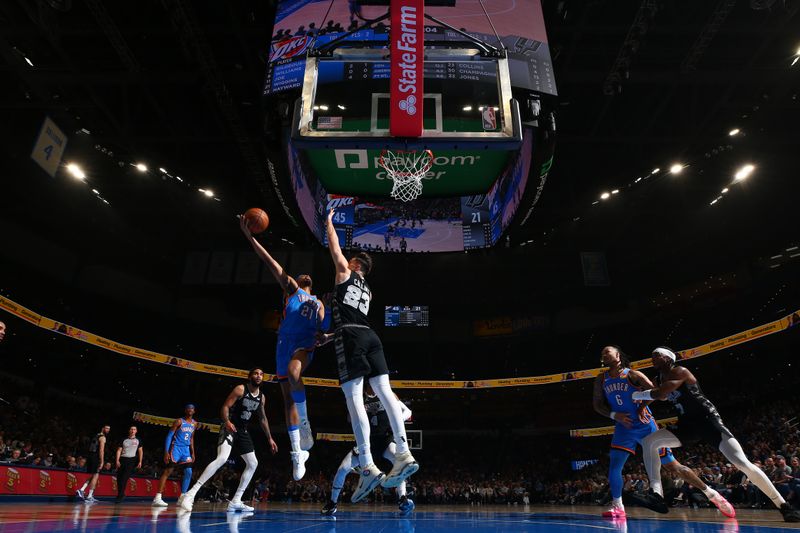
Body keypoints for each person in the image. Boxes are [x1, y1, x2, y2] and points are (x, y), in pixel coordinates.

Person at [318, 208, 418, 503]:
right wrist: (331, 335)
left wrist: (329, 222)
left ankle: (367, 465)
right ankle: (403, 452)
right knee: (384, 391)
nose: (344, 259)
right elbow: (354, 321)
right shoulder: (368, 291)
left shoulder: (344, 272)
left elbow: (333, 246)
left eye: (349, 259)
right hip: (370, 336)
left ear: (354, 263)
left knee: (354, 398)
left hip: (351, 336)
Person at [635, 346, 800, 522]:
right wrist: (642, 406)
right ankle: (656, 495)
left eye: (657, 355)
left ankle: (784, 506)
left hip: (708, 420)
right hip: (687, 424)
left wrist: (637, 395)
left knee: (742, 463)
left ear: (668, 358)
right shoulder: (659, 378)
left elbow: (660, 394)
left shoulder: (680, 371)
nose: (653, 357)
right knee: (650, 442)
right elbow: (655, 395)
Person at [593, 346, 734, 519]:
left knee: (672, 466)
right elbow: (598, 405)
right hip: (623, 427)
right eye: (602, 353)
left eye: (608, 351)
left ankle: (712, 494)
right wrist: (615, 415)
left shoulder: (634, 375)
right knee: (614, 466)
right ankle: (618, 507)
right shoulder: (601, 378)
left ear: (618, 356)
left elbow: (658, 394)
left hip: (645, 425)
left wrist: (642, 406)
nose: (604, 354)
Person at [239, 214, 326, 480]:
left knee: (294, 371)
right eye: (302, 276)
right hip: (283, 344)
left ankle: (306, 420)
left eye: (308, 277)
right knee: (287, 400)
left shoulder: (318, 302)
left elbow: (322, 325)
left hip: (304, 344)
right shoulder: (290, 290)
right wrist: (250, 237)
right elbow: (269, 262)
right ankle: (298, 453)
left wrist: (317, 312)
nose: (305, 276)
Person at [180, 368, 278, 513]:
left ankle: (236, 501)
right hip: (229, 427)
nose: (259, 376)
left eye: (261, 374)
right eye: (256, 373)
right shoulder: (240, 389)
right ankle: (190, 494)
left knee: (253, 463)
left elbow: (263, 418)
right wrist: (226, 421)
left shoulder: (261, 397)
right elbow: (225, 406)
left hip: (242, 431)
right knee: (222, 458)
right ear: (250, 376)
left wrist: (270, 438)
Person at [322, 386, 415, 516]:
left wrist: (394, 421)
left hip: (384, 441)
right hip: (365, 443)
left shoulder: (388, 394)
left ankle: (402, 498)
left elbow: (408, 412)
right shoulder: (358, 397)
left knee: (399, 462)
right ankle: (332, 502)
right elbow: (350, 419)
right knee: (343, 469)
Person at [153, 404, 198, 507]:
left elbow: (191, 438)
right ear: (185, 410)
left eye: (192, 408)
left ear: (194, 411)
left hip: (186, 450)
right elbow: (169, 436)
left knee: (189, 472)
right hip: (176, 448)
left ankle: (182, 498)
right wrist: (166, 451)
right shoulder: (179, 421)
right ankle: (157, 498)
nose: (190, 410)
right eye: (188, 408)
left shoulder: (195, 424)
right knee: (168, 471)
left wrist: (193, 452)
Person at [76, 425, 110, 502]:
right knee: (96, 475)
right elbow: (101, 450)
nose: (108, 430)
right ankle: (89, 495)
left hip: (91, 456)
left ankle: (82, 490)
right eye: (107, 428)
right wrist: (102, 461)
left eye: (109, 429)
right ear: (103, 428)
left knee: (94, 475)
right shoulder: (102, 437)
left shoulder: (95, 435)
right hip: (96, 457)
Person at [114, 426, 143, 503]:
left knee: (124, 478)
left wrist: (140, 461)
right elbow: (119, 450)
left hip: (131, 460)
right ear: (129, 430)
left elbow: (140, 451)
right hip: (122, 459)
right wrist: (117, 460)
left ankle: (120, 496)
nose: (133, 431)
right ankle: (121, 493)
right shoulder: (124, 439)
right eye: (131, 429)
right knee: (119, 478)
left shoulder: (138, 440)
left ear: (136, 431)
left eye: (134, 429)